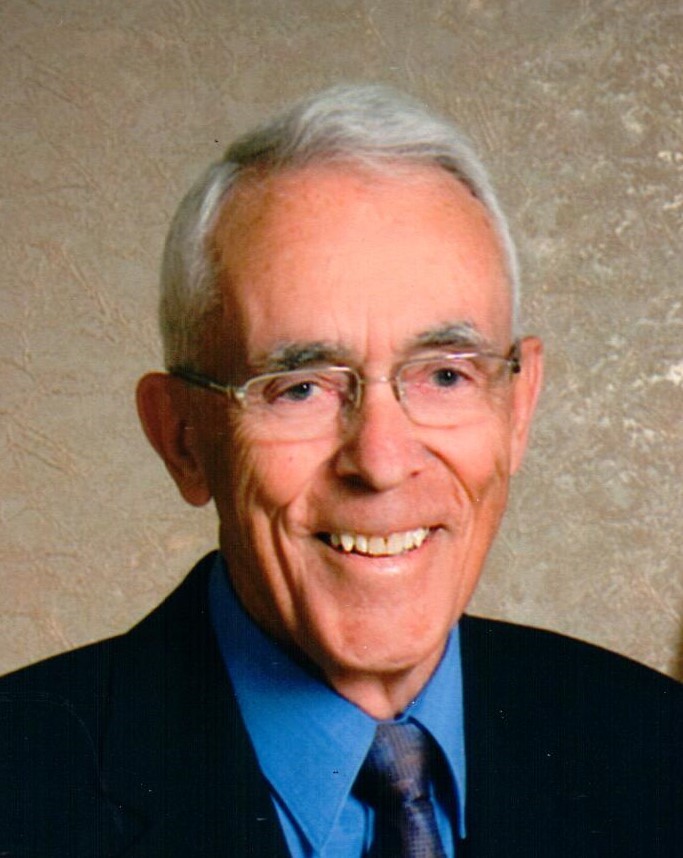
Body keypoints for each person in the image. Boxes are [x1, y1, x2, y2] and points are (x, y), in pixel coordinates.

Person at [1, 84, 680, 858]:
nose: (381, 462)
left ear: (518, 409)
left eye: (445, 375)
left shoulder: (658, 751)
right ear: (182, 439)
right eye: (300, 388)